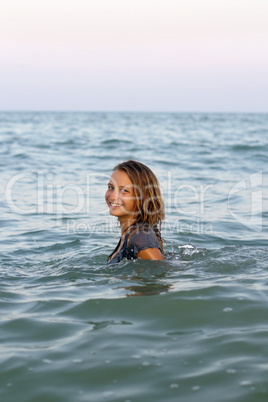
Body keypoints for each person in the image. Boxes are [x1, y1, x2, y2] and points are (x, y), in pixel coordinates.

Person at [105, 160, 165, 264]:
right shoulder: (132, 235)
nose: (112, 196)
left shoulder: (140, 237)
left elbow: (162, 273)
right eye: (111, 187)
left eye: (124, 190)